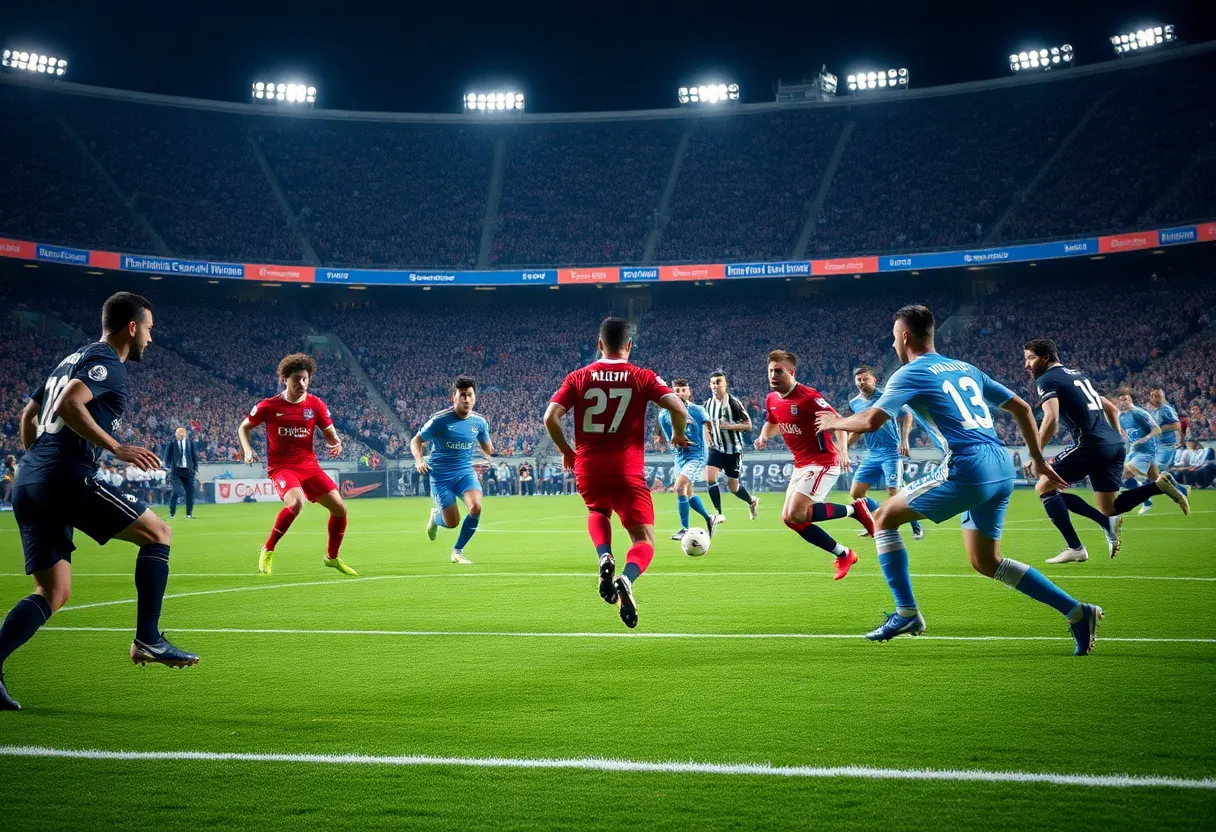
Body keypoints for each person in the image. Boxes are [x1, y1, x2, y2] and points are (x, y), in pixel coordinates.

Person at [817, 305, 1103, 656]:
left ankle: (906, 613)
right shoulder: (965, 367)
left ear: (904, 336)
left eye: (894, 337)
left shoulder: (909, 373)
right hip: (1000, 466)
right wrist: (1039, 460)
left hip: (968, 466)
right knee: (987, 562)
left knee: (882, 518)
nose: (893, 344)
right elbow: (1023, 409)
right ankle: (1077, 612)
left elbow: (872, 421)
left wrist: (834, 424)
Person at [2, 292, 199, 711]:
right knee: (158, 532)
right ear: (132, 327)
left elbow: (28, 416)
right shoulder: (106, 360)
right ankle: (148, 637)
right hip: (64, 476)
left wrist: (37, 463)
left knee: (53, 591)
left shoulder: (69, 359)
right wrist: (117, 448)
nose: (150, 337)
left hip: (29, 480)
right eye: (148, 328)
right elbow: (70, 404)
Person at [543, 316, 689, 629]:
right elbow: (679, 408)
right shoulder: (642, 376)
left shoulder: (578, 377)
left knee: (597, 509)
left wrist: (567, 451)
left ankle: (604, 557)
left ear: (599, 344)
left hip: (589, 467)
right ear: (629, 346)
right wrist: (677, 434)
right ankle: (626, 577)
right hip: (627, 470)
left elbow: (550, 418)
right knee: (644, 539)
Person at [1023, 339, 1188, 565]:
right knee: (1110, 507)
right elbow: (1110, 407)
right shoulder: (1077, 375)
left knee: (1043, 486)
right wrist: (1117, 433)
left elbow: (1051, 418)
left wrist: (1036, 456)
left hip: (1091, 445)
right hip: (1113, 445)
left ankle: (1076, 547)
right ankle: (1157, 486)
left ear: (1045, 357)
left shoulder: (1046, 379)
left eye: (1030, 358)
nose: (1026, 365)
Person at [754, 350, 872, 580]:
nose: (773, 376)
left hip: (823, 462)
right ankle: (844, 553)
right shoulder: (772, 399)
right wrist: (763, 436)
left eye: (778, 371)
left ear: (791, 372)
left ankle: (854, 510)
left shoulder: (808, 397)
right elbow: (771, 422)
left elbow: (837, 423)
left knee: (797, 513)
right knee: (790, 519)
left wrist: (843, 451)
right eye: (770, 371)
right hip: (801, 465)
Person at [238, 353, 356, 577]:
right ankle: (268, 548)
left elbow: (329, 432)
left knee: (340, 509)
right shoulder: (269, 406)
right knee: (296, 503)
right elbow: (244, 427)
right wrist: (248, 450)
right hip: (282, 467)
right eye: (296, 379)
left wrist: (336, 443)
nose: (301, 383)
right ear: (285, 379)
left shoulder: (316, 404)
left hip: (309, 465)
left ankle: (331, 558)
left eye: (305, 379)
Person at [414, 377, 494, 565]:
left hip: (464, 472)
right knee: (452, 522)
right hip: (440, 476)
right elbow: (416, 440)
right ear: (454, 397)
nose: (466, 399)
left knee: (476, 507)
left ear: (475, 397)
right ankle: (436, 517)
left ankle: (458, 551)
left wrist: (490, 455)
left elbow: (487, 447)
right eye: (462, 395)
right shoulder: (439, 420)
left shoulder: (480, 422)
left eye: (470, 395)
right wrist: (419, 459)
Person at [848, 365, 924, 541]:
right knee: (856, 493)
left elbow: (907, 414)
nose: (861, 382)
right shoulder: (854, 403)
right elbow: (859, 427)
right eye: (858, 379)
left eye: (865, 379)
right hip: (872, 453)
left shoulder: (887, 397)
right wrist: (845, 447)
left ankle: (913, 525)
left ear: (874, 379)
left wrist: (905, 439)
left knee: (894, 493)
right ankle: (873, 523)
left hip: (891, 452)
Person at [657, 379, 718, 540]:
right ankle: (709, 518)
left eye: (683, 390)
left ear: (689, 392)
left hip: (696, 456)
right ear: (672, 392)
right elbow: (667, 434)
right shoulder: (664, 414)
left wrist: (707, 440)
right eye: (677, 390)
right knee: (687, 493)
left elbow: (707, 428)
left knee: (679, 487)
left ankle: (684, 529)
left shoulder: (698, 410)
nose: (680, 393)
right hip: (679, 457)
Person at [703, 372, 759, 522]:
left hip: (733, 450)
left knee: (733, 487)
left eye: (718, 382)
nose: (715, 385)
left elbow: (748, 425)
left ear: (725, 384)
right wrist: (707, 436)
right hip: (715, 448)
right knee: (709, 478)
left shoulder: (733, 403)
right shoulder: (707, 404)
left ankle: (751, 501)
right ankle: (719, 513)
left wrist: (731, 426)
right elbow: (705, 423)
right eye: (713, 383)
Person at [1117, 391, 1163, 516]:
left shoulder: (1139, 413)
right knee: (1157, 479)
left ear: (1131, 400)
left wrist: (1146, 438)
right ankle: (1182, 490)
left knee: (1125, 473)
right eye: (1120, 400)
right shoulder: (1121, 417)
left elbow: (1157, 429)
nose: (1123, 402)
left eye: (1125, 399)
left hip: (1147, 451)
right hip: (1135, 451)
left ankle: (1145, 501)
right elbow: (1127, 435)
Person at [163, 426, 199, 519]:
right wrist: (166, 466)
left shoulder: (190, 443)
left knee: (190, 492)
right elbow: (167, 456)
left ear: (184, 435)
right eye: (178, 434)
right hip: (176, 471)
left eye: (181, 434)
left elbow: (194, 456)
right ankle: (172, 513)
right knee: (176, 492)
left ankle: (189, 514)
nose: (179, 436)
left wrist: (195, 468)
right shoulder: (172, 443)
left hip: (188, 471)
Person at [1148, 386, 1183, 476]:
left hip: (1166, 446)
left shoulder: (1166, 409)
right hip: (1158, 446)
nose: (1152, 398)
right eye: (1151, 395)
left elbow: (1177, 425)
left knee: (1155, 471)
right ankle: (1179, 489)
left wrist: (1160, 430)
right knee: (1159, 474)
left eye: (1155, 396)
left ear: (1162, 396)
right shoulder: (1156, 411)